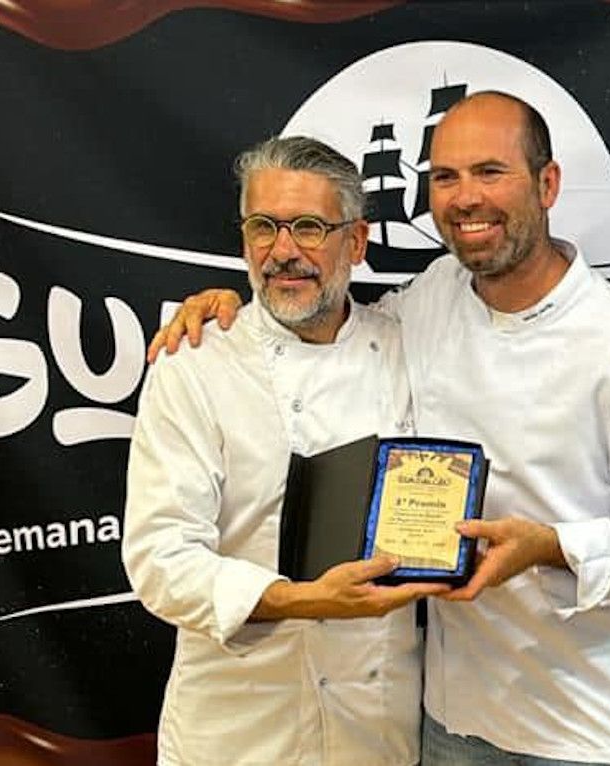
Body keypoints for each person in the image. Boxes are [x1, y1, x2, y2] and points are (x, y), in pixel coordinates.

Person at [150, 92, 610, 766]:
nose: (465, 197)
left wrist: (548, 547)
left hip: (589, 727)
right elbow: (161, 555)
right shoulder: (428, 302)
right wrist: (225, 310)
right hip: (452, 721)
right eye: (445, 177)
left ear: (548, 184)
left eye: (490, 172)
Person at [122, 136, 449, 766]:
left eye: (308, 227)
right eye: (263, 227)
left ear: (356, 242)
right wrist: (302, 600)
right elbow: (160, 560)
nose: (283, 251)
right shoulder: (194, 363)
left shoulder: (410, 343)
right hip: (240, 731)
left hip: (375, 731)